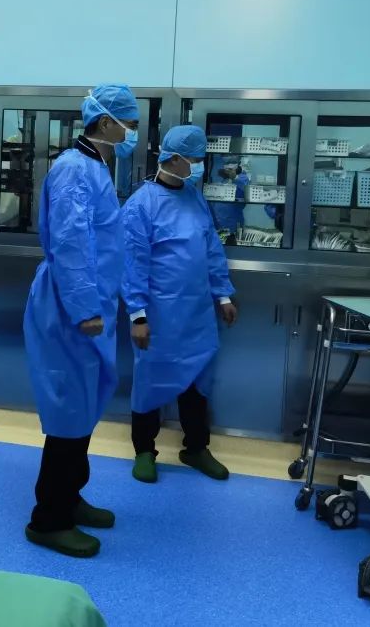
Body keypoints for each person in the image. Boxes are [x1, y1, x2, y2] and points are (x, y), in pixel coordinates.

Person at [23, 83, 140, 559]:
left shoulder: (95, 166)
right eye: (129, 122)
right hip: (70, 307)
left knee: (85, 406)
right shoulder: (74, 169)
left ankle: (70, 498)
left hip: (88, 303)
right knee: (69, 410)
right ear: (105, 121)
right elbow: (71, 243)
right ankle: (48, 520)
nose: (132, 131)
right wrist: (85, 308)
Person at [121, 125, 238, 484]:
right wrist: (137, 315)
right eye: (195, 159)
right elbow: (132, 264)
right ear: (173, 159)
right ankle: (144, 450)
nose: (200, 165)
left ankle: (196, 448)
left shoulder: (194, 198)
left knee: (197, 382)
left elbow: (211, 249)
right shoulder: (141, 205)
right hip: (158, 313)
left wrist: (222, 295)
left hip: (197, 313)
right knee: (151, 379)